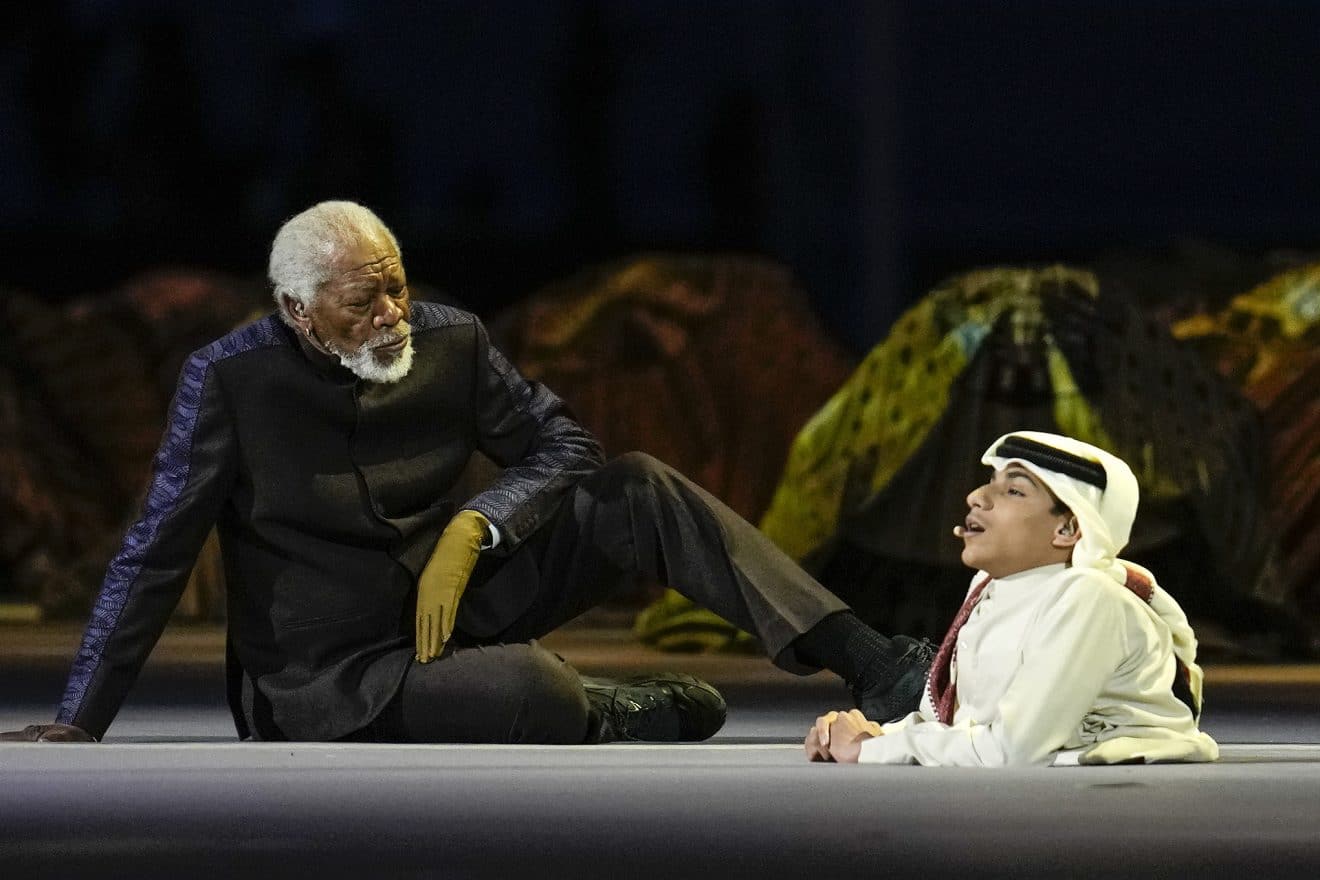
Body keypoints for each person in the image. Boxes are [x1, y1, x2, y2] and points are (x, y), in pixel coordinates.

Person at [2, 200, 930, 746]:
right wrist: (83, 715)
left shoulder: (452, 342)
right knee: (533, 689)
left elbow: (566, 447)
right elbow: (156, 549)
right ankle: (601, 710)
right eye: (363, 301)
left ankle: (876, 666)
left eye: (397, 285)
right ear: (297, 310)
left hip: (460, 603)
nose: (392, 314)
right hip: (335, 676)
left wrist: (476, 526)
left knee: (640, 486)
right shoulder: (229, 381)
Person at [804, 430, 1220, 766]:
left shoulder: (1091, 596)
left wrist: (872, 750)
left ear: (1068, 529)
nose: (977, 497)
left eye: (1014, 491)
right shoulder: (991, 587)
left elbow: (1013, 750)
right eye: (990, 482)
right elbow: (959, 726)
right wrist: (870, 733)